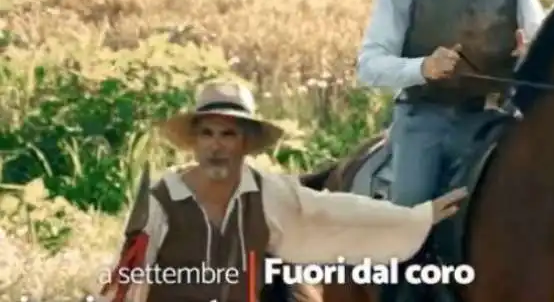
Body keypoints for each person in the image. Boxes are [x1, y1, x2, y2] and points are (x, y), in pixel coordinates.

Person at [357, 0, 547, 302]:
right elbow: (369, 64)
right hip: (426, 120)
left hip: (496, 116)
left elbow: (535, 27)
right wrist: (422, 67)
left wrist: (530, 53)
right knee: (412, 223)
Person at [97, 80, 468, 302]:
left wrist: (418, 216)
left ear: (244, 143)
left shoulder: (267, 193)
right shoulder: (163, 198)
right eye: (207, 133)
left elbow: (337, 211)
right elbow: (131, 279)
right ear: (194, 141)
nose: (216, 146)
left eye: (228, 134)